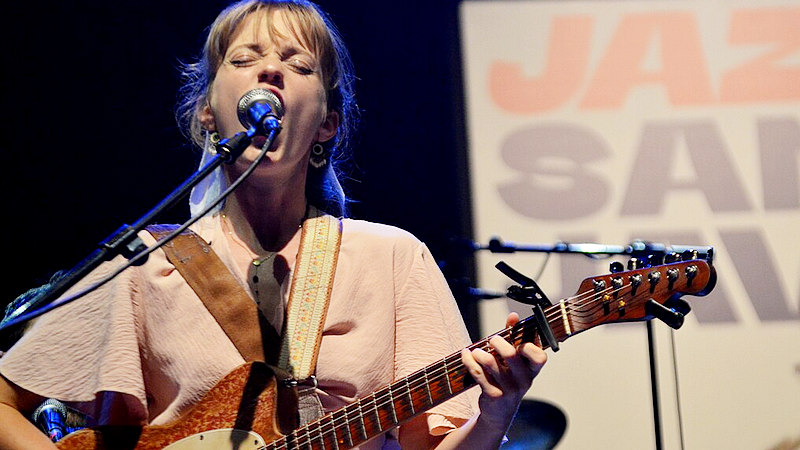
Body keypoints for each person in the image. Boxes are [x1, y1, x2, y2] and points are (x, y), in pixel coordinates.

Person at [0, 1, 547, 448]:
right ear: (209, 112)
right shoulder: (145, 264)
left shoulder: (394, 260)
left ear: (328, 124)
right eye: (243, 60)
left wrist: (496, 416)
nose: (269, 71)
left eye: (299, 65)